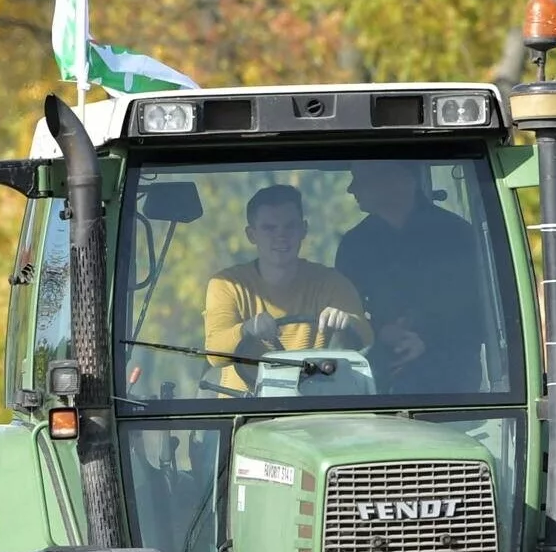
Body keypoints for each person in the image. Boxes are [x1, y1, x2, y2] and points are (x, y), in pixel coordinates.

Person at [334, 162, 491, 394]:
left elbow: (486, 314)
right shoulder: (354, 245)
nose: (351, 188)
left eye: (361, 178)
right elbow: (344, 314)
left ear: (399, 179)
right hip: (376, 387)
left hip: (453, 388)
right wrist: (381, 332)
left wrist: (427, 339)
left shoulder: (459, 237)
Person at [203, 184, 372, 392]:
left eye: (289, 226)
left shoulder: (332, 283)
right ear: (251, 235)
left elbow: (367, 341)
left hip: (317, 408)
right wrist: (247, 328)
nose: (281, 236)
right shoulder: (228, 285)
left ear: (304, 229)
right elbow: (214, 353)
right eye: (269, 228)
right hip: (245, 410)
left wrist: (346, 323)